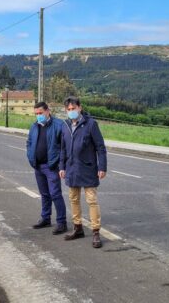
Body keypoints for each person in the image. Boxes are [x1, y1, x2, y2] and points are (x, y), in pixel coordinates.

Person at [59, 96, 107, 248]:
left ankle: (95, 232)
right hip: (71, 168)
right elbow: (63, 149)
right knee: (73, 198)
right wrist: (62, 166)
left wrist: (102, 167)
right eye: (69, 109)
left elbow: (100, 147)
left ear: (80, 108)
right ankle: (78, 228)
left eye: (74, 108)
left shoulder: (91, 124)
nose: (71, 111)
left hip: (87, 168)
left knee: (91, 200)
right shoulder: (65, 125)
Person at [26, 102, 68, 234]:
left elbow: (64, 147)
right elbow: (29, 142)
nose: (39, 116)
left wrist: (60, 165)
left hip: (51, 166)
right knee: (44, 194)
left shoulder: (59, 125)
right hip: (38, 166)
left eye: (41, 113)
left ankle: (61, 222)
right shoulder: (34, 126)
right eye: (36, 114)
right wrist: (31, 157)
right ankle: (46, 218)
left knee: (55, 194)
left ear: (47, 111)